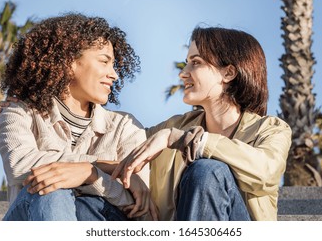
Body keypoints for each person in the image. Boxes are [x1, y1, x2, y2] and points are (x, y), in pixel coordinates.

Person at [112, 26, 292, 221]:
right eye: (186, 63)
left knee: (208, 170)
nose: (183, 73)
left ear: (228, 73)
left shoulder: (271, 129)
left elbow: (266, 172)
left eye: (196, 63)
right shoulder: (175, 126)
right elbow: (121, 144)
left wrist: (186, 140)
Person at [0, 13, 157, 221]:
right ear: (68, 62)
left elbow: (138, 203)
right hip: (32, 217)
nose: (114, 74)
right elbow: (19, 165)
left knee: (61, 185)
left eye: (114, 65)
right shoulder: (19, 110)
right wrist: (101, 166)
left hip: (99, 221)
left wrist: (90, 174)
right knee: (51, 187)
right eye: (104, 61)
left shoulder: (125, 125)